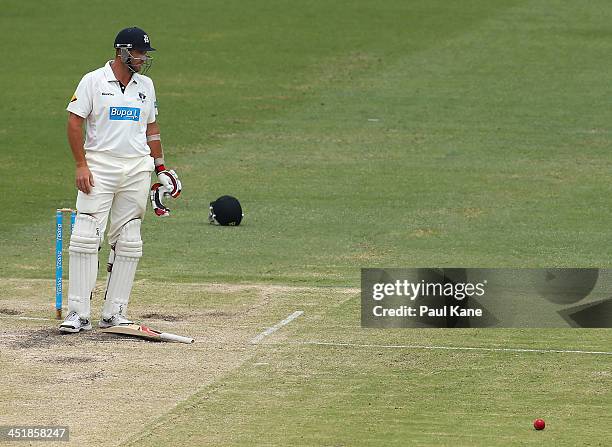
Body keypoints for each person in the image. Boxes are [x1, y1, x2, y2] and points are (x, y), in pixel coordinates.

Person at [60, 27, 181, 333]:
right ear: (122, 52)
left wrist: (161, 167)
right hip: (99, 166)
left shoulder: (146, 86)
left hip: (137, 169)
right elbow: (75, 122)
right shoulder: (93, 81)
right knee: (86, 234)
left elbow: (151, 129)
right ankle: (78, 314)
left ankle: (115, 313)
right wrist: (80, 164)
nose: (142, 59)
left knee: (128, 239)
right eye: (139, 53)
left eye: (144, 54)